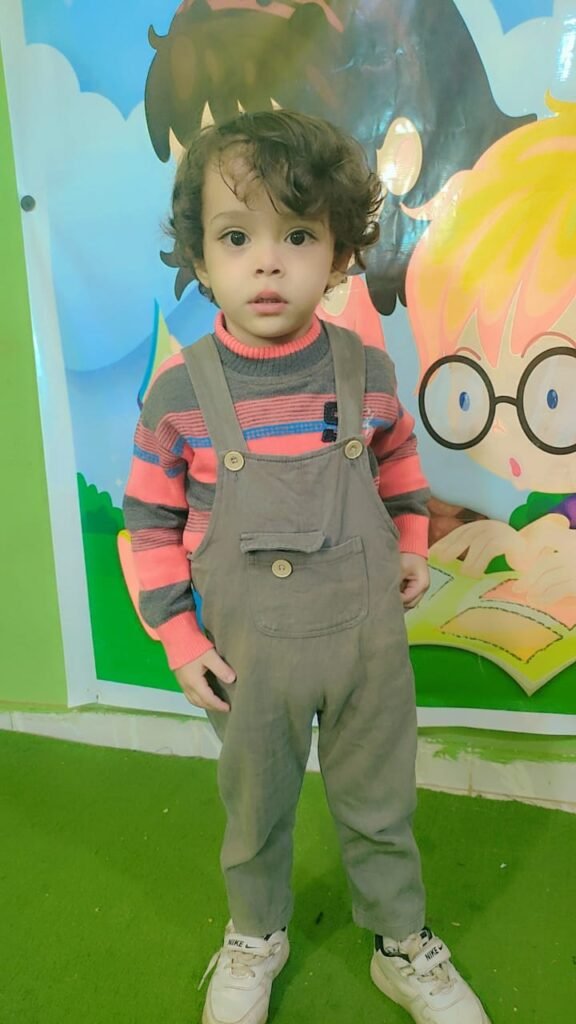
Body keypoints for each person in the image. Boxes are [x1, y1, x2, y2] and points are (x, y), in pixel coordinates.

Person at [123, 110, 490, 1024]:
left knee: (380, 804)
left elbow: (398, 463)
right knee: (255, 810)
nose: (268, 263)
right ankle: (256, 935)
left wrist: (413, 544)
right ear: (199, 257)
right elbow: (148, 523)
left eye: (297, 236)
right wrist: (179, 640)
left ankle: (401, 946)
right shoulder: (178, 396)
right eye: (236, 238)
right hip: (249, 660)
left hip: (368, 646)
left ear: (339, 254)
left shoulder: (366, 371)